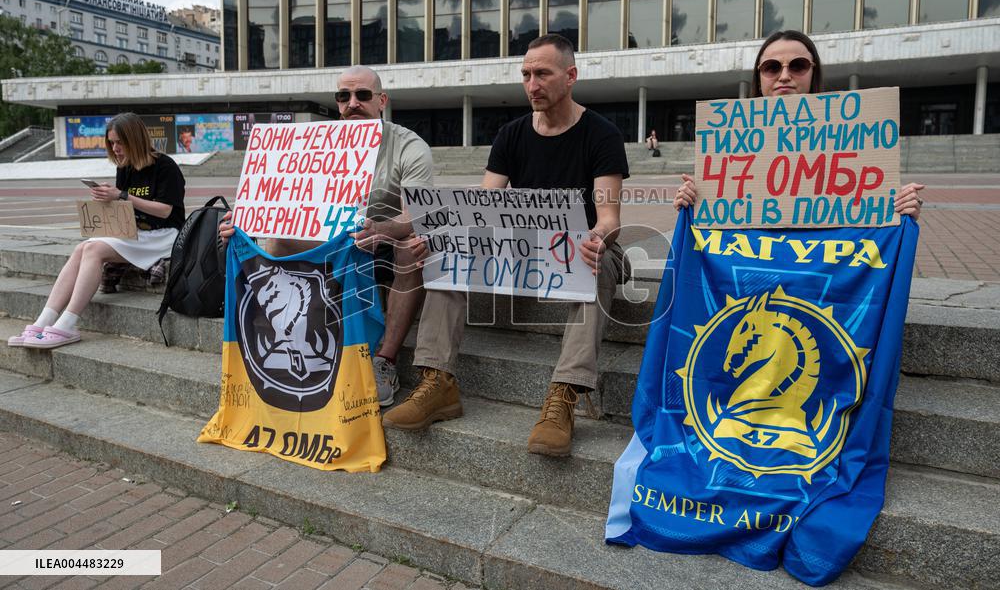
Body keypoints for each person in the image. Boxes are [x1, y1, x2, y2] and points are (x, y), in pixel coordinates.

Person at [383, 34, 631, 458]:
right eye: (526, 74)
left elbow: (609, 221)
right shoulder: (511, 134)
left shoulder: (602, 134)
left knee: (601, 259)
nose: (532, 84)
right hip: (524, 249)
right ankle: (437, 382)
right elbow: (482, 207)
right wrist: (440, 234)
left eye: (543, 74)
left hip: (583, 249)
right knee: (449, 247)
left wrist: (596, 237)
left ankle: (563, 395)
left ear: (570, 77)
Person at [219, 66, 434, 407]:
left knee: (413, 247)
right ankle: (284, 344)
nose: (352, 103)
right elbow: (276, 200)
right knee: (275, 240)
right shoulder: (313, 142)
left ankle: (384, 361)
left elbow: (417, 213)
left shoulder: (408, 145)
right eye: (343, 96)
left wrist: (383, 229)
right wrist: (243, 221)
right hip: (329, 241)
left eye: (362, 95)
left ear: (382, 101)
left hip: (379, 242)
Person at [673, 30, 925, 218]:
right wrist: (695, 200)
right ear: (758, 76)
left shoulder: (852, 135)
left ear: (813, 72)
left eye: (798, 66)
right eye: (771, 67)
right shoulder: (728, 138)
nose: (784, 76)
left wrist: (900, 208)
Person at [9, 113, 186, 349]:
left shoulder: (165, 166)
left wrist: (122, 196)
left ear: (135, 139)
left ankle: (67, 324)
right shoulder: (125, 168)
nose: (115, 148)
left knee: (92, 249)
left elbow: (165, 211)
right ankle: (44, 321)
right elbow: (126, 207)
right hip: (136, 232)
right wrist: (107, 201)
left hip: (165, 235)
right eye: (111, 143)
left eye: (120, 142)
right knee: (81, 247)